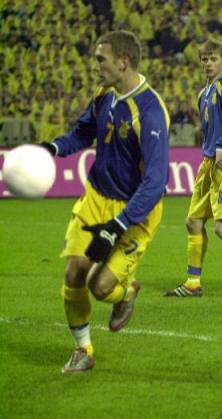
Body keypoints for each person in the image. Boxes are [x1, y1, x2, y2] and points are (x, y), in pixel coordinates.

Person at [38, 30, 170, 373]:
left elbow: (156, 182)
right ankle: (83, 349)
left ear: (123, 62)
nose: (95, 66)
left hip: (136, 211)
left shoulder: (150, 112)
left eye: (101, 59)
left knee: (99, 287)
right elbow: (83, 133)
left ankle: (125, 294)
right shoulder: (104, 95)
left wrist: (118, 225)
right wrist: (53, 148)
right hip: (97, 197)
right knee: (75, 271)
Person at [164, 39, 222, 299]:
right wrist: (212, 151)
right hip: (210, 162)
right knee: (193, 222)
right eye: (204, 59)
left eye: (213, 59)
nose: (208, 63)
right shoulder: (203, 93)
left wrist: (221, 147)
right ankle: (193, 283)